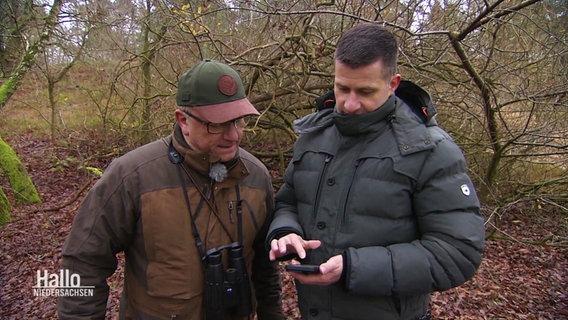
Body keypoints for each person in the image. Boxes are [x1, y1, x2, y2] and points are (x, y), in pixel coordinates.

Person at [266, 23, 485, 320]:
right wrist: (286, 232)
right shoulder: (314, 136)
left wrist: (356, 268)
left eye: (365, 91)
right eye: (342, 88)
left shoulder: (429, 150)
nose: (350, 103)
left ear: (393, 83)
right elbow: (288, 201)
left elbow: (458, 252)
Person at [58, 59, 283, 320]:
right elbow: (81, 262)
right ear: (183, 120)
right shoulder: (133, 176)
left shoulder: (255, 176)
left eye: (238, 121)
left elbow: (266, 269)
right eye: (217, 124)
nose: (234, 135)